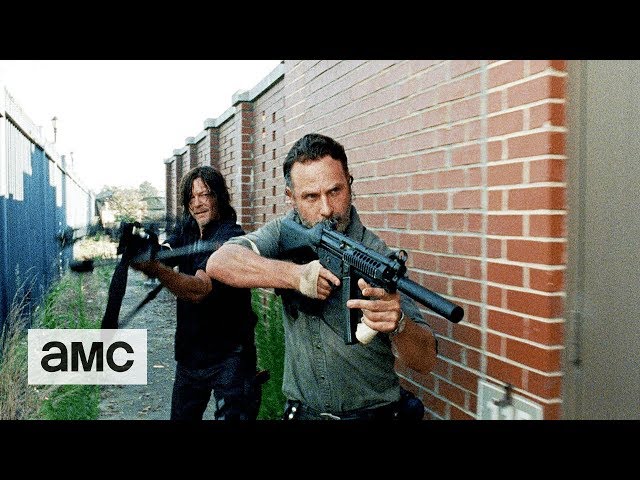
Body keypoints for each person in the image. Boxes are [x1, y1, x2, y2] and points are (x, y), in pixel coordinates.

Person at [205, 133, 438, 420]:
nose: (326, 209)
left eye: (335, 191)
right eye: (311, 197)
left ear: (349, 184)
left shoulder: (376, 256)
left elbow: (425, 361)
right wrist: (295, 276)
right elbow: (220, 262)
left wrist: (398, 323)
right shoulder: (284, 232)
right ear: (291, 198)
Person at [131, 165, 261, 420]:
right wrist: (146, 250)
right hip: (191, 355)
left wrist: (156, 269)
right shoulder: (187, 230)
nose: (197, 203)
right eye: (191, 197)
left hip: (230, 357)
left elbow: (199, 290)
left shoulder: (230, 237)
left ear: (219, 197)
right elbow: (166, 253)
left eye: (204, 195)